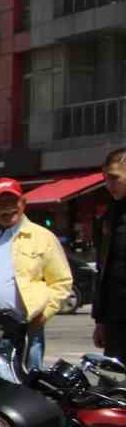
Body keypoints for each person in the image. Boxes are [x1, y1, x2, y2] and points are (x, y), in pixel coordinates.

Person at [0, 177, 72, 372]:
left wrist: (43, 315)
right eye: (1, 203)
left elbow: (62, 281)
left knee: (24, 390)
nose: (8, 208)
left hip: (21, 332)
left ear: (23, 203)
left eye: (13, 201)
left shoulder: (43, 237)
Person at [93, 147, 126, 359]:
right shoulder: (107, 218)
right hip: (116, 320)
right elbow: (103, 270)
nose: (108, 185)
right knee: (114, 386)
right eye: (106, 178)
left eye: (114, 178)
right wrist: (100, 320)